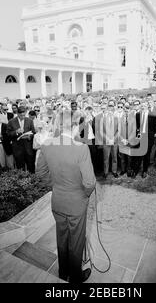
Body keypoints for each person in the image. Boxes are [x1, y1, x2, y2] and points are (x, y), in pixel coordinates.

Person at [36, 109, 96, 283]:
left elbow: (40, 174)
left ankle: (63, 272)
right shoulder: (81, 147)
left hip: (58, 200)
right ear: (75, 126)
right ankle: (76, 278)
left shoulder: (46, 144)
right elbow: (90, 183)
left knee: (62, 238)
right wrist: (83, 196)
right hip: (76, 203)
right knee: (76, 242)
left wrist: (54, 187)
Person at [7, 106, 36, 173]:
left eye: (24, 115)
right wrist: (16, 132)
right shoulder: (11, 121)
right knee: (20, 166)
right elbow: (8, 133)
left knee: (30, 165)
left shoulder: (29, 120)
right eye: (21, 115)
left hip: (28, 147)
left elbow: (33, 132)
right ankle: (22, 181)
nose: (22, 117)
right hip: (17, 148)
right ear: (17, 113)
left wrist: (29, 137)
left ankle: (32, 180)